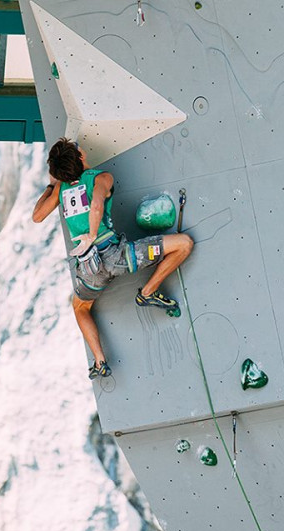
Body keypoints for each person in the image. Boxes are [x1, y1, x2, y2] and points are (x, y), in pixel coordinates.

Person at [32, 138, 193, 379]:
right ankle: (148, 292)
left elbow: (37, 216)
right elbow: (97, 205)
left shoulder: (61, 189)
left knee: (80, 307)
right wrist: (92, 234)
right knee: (184, 244)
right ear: (80, 157)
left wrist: (51, 185)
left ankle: (100, 361)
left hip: (90, 269)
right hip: (119, 257)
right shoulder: (101, 178)